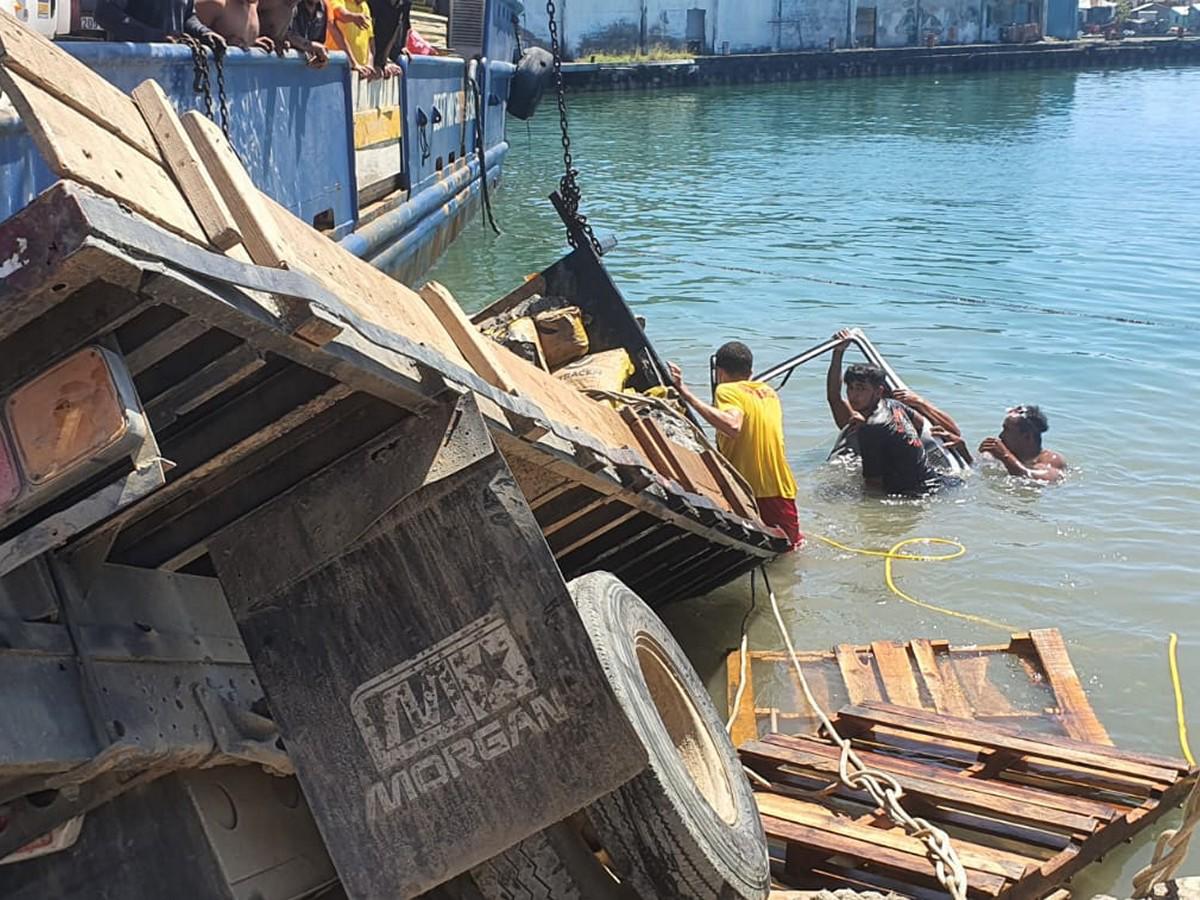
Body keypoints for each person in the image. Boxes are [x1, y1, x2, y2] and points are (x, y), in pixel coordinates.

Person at [668, 342, 803, 549]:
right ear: (750, 371)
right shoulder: (769, 393)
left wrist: (685, 393)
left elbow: (732, 425)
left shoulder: (726, 390)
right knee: (789, 551)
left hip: (749, 490)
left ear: (719, 372)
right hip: (781, 489)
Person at [826, 336, 951, 496]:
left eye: (861, 389)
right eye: (851, 388)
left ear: (878, 391)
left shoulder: (871, 429)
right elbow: (920, 424)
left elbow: (873, 485)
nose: (854, 395)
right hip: (934, 481)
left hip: (915, 495)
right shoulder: (894, 405)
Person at [979, 405, 1066, 482]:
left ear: (1027, 436)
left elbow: (1046, 479)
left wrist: (1005, 455)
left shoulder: (1051, 459)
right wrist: (965, 453)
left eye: (1007, 430)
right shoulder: (1012, 455)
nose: (1001, 435)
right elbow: (975, 469)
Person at [326, 0, 400, 78]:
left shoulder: (365, 7)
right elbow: (340, 14)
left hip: (360, 72)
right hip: (337, 69)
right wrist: (353, 17)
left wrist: (369, 65)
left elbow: (370, 41)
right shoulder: (339, 1)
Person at [96, 0, 224, 45]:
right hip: (132, 71)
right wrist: (154, 37)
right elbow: (105, 13)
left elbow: (187, 17)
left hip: (171, 72)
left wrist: (203, 33)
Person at [285, 0, 331, 66]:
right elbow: (286, 34)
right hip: (283, 63)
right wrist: (310, 46)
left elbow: (320, 41)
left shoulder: (323, 8)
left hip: (307, 68)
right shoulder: (290, 4)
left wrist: (320, 55)